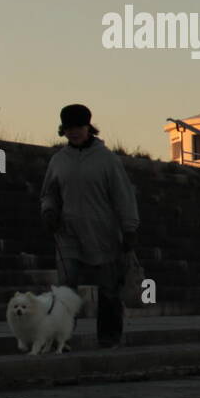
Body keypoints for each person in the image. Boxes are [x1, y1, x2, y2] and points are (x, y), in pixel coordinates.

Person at [40, 104, 140, 348]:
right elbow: (49, 193)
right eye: (68, 128)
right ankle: (61, 339)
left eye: (78, 127)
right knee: (66, 288)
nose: (73, 132)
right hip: (68, 233)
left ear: (89, 128)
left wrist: (129, 228)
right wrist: (49, 211)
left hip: (103, 232)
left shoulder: (108, 160)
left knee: (108, 288)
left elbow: (123, 196)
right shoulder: (58, 160)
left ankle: (108, 337)